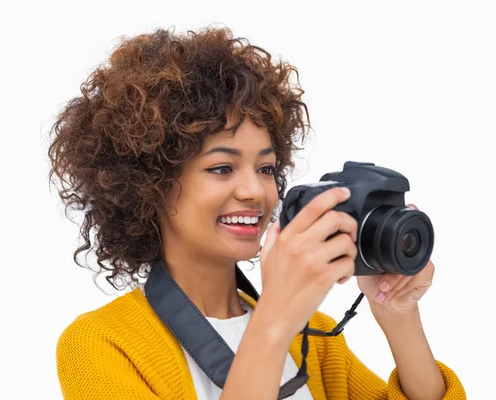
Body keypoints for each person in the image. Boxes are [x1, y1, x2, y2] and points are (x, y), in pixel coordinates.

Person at [49, 26, 466, 400]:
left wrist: (397, 314)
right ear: (149, 184)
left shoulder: (312, 338)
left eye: (266, 169)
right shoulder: (101, 344)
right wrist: (276, 318)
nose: (254, 191)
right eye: (221, 168)